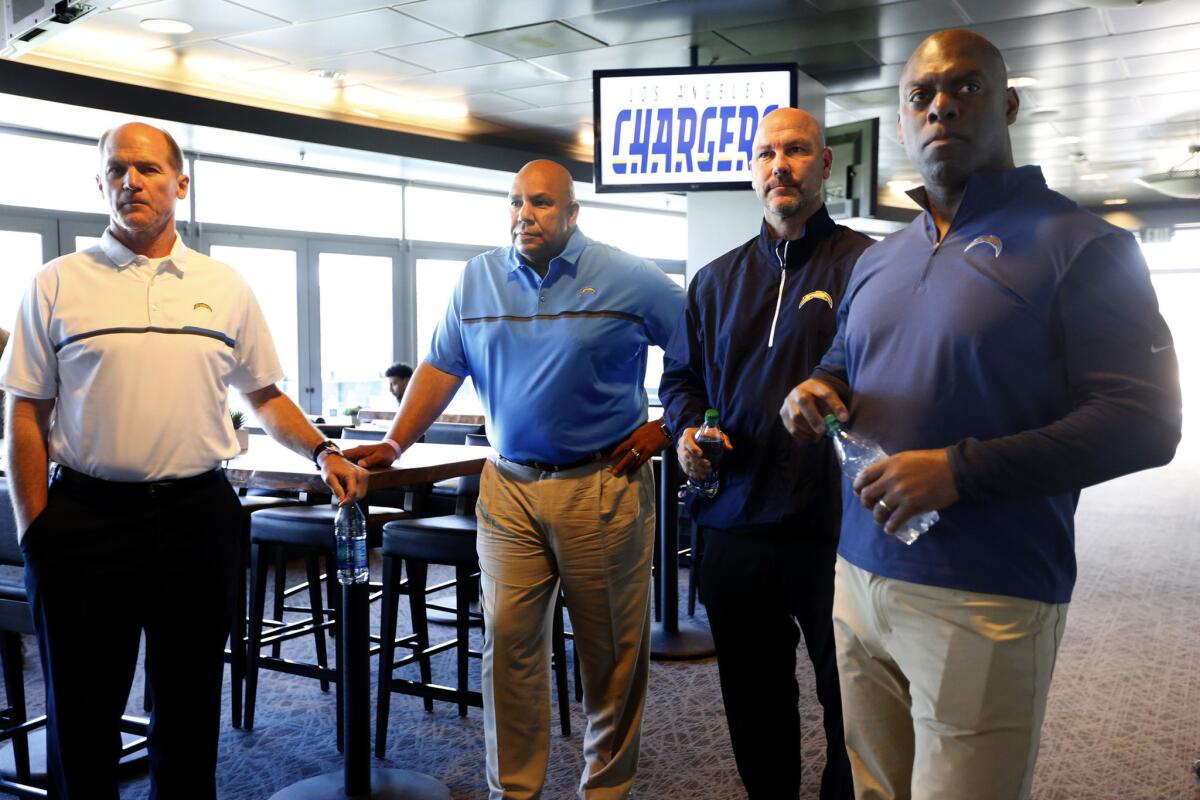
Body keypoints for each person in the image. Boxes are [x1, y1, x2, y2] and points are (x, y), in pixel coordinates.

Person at [779, 30, 1182, 800]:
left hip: (986, 591)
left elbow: (1145, 421)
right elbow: (846, 363)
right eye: (920, 95)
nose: (940, 107)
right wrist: (818, 389)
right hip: (858, 577)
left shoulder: (1082, 245)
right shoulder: (878, 258)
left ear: (1008, 103)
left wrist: (961, 469)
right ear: (901, 118)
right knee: (874, 789)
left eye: (964, 88)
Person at [0, 122, 369, 799]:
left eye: (145, 168)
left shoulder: (224, 286)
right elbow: (25, 412)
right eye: (116, 169)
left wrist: (321, 448)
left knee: (190, 716)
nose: (129, 181)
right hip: (84, 520)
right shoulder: (55, 284)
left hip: (196, 519)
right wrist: (36, 534)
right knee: (82, 722)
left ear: (180, 183)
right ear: (101, 183)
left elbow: (265, 394)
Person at [346, 159, 685, 799]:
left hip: (602, 483)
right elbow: (441, 367)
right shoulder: (477, 279)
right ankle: (515, 794)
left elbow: (703, 351)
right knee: (508, 651)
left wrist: (665, 428)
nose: (523, 215)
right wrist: (396, 440)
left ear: (572, 213)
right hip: (507, 486)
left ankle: (605, 791)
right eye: (514, 203)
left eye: (540, 203)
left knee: (609, 657)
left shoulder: (629, 276)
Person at [658, 107, 869, 800]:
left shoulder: (868, 266)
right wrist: (688, 434)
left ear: (826, 164)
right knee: (754, 703)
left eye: (798, 150)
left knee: (856, 707)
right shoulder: (715, 281)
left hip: (835, 529)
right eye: (767, 153)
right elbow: (681, 382)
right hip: (732, 524)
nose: (780, 164)